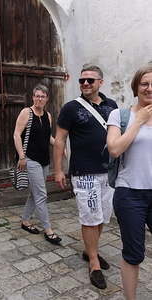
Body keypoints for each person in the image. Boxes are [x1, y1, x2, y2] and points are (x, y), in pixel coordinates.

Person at [53, 64, 117, 289]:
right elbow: (60, 139)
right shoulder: (71, 108)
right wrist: (59, 169)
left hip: (109, 172)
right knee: (90, 217)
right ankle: (93, 262)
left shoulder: (112, 106)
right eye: (82, 81)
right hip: (84, 172)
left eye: (90, 80)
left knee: (101, 217)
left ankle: (91, 250)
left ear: (101, 82)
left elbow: (118, 135)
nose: (85, 84)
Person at [107, 63, 152, 300]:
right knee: (134, 253)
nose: (149, 88)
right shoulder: (120, 115)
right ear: (136, 87)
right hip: (130, 194)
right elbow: (114, 149)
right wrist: (138, 121)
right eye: (144, 83)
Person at [13, 84, 62, 245]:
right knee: (41, 194)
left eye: (42, 96)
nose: (39, 99)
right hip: (30, 159)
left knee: (35, 194)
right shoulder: (26, 112)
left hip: (44, 160)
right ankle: (48, 230)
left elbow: (48, 137)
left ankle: (25, 221)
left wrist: (59, 147)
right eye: (37, 96)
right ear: (33, 97)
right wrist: (21, 156)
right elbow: (16, 135)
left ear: (47, 98)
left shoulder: (47, 115)